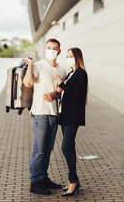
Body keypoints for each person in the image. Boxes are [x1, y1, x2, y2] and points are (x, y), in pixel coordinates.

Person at [23, 38, 67, 195]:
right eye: (49, 47)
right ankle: (35, 182)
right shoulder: (38, 66)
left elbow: (62, 93)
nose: (51, 50)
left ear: (59, 51)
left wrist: (56, 94)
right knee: (39, 150)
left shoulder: (62, 70)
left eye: (54, 48)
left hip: (54, 114)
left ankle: (43, 177)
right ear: (45, 49)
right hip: (40, 113)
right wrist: (29, 65)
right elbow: (28, 83)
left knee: (47, 150)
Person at [54, 47, 88, 197]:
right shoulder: (71, 73)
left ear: (78, 57)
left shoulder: (81, 73)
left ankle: (73, 181)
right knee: (69, 147)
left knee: (66, 147)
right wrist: (60, 86)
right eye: (67, 56)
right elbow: (67, 91)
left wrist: (61, 84)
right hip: (66, 115)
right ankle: (73, 181)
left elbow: (76, 94)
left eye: (71, 56)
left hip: (74, 116)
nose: (68, 58)